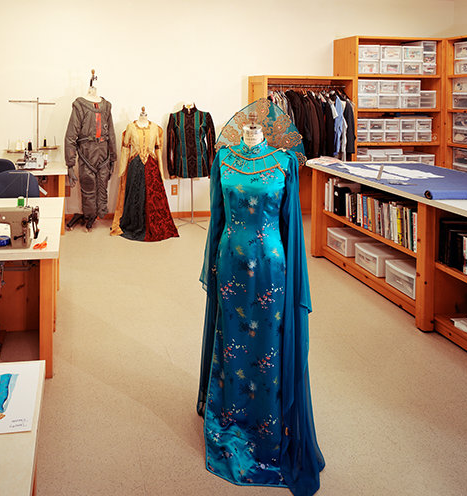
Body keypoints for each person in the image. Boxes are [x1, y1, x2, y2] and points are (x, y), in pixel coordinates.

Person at [198, 101, 324, 495]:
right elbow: (217, 218)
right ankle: (230, 418)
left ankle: (268, 427)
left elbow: (291, 225)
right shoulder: (223, 159)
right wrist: (212, 266)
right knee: (231, 344)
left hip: (272, 268)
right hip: (230, 266)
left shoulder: (285, 163)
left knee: (268, 344)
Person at [110, 108, 179, 242]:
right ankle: (135, 224)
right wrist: (122, 169)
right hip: (135, 166)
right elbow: (125, 148)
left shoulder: (155, 128)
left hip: (151, 166)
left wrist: (161, 170)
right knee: (136, 194)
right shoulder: (130, 127)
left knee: (153, 196)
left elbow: (158, 150)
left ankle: (153, 224)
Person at [64, 74, 117, 231]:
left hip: (104, 154)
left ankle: (100, 213)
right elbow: (71, 136)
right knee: (88, 185)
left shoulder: (106, 106)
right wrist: (70, 164)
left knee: (102, 185)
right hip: (86, 154)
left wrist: (113, 158)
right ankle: (89, 216)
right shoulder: (79, 105)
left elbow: (111, 133)